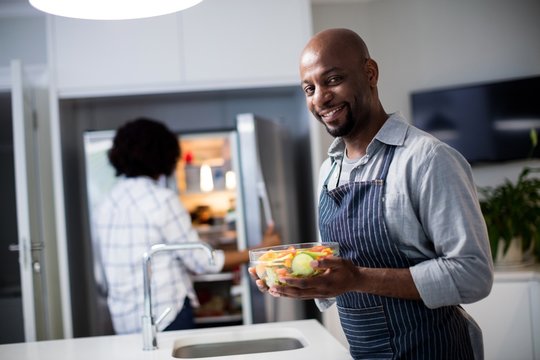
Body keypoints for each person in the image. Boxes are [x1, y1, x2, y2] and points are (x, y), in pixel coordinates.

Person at [249, 28, 493, 359]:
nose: (320, 97)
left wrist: (358, 278)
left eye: (333, 80)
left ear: (370, 73)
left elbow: (473, 275)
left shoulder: (426, 158)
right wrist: (297, 280)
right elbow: (335, 271)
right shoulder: (329, 171)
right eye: (310, 88)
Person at [94, 117, 280, 335]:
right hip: (165, 317)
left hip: (124, 321)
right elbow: (204, 261)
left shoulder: (105, 204)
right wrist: (261, 250)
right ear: (164, 155)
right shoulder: (161, 200)